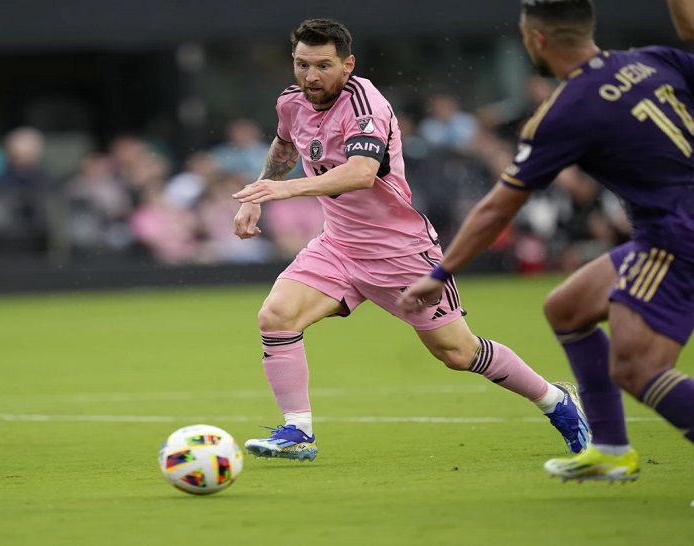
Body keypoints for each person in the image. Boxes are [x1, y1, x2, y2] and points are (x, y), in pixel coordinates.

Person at [231, 18, 590, 462]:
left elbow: (361, 174)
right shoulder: (292, 101)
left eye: (323, 65)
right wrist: (257, 193)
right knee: (276, 317)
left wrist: (283, 191)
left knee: (458, 353)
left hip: (400, 252)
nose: (310, 76)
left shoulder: (367, 104)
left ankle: (557, 402)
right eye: (301, 65)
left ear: (348, 65)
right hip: (338, 246)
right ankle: (297, 431)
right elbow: (286, 146)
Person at [400, 0, 694, 482]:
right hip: (667, 229)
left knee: (638, 367)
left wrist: (442, 272)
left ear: (536, 39)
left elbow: (499, 206)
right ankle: (611, 449)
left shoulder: (567, 110)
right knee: (567, 309)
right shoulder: (652, 60)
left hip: (675, 235)